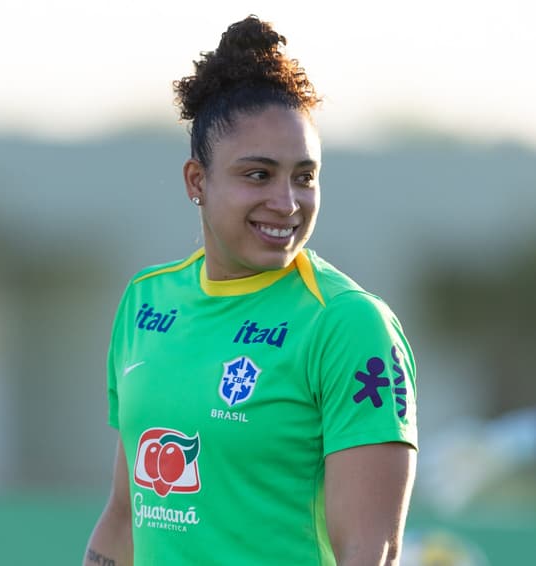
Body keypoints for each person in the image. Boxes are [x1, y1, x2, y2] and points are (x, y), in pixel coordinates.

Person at [83, 14, 418, 566]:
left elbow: (371, 551)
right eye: (259, 175)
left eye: (305, 177)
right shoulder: (145, 303)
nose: (287, 203)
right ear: (197, 181)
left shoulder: (348, 323)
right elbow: (125, 516)